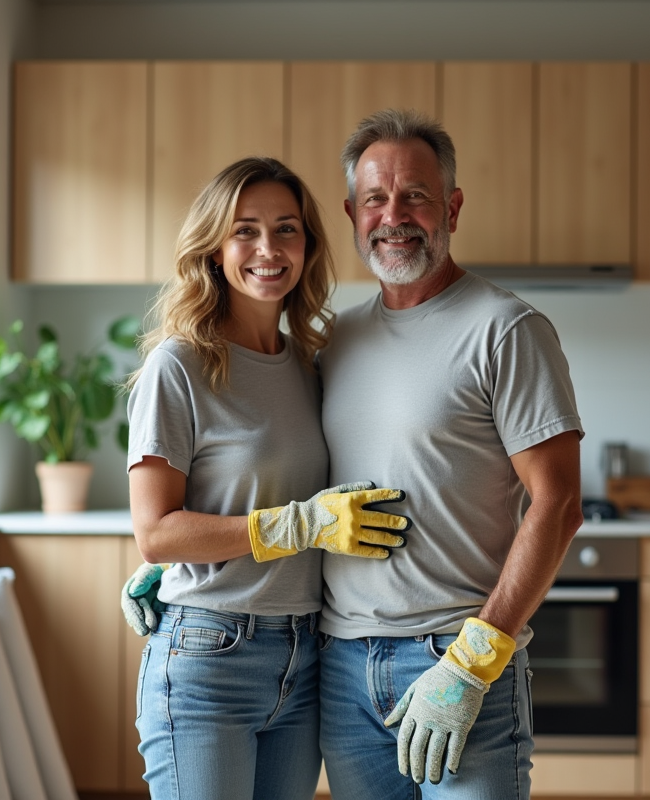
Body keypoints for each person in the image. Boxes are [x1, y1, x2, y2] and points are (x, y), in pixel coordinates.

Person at [123, 156, 411, 800]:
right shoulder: (182, 365)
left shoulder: (312, 364)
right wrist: (300, 524)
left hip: (308, 658)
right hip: (209, 656)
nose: (268, 249)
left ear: (308, 245)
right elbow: (156, 534)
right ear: (214, 247)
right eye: (245, 230)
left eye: (287, 229)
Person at [317, 109, 584, 799]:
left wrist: (474, 660)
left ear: (453, 209)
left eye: (416, 196)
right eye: (376, 198)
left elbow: (558, 504)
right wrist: (184, 565)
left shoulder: (507, 329)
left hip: (458, 659)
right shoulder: (333, 341)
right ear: (352, 212)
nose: (394, 215)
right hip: (342, 672)